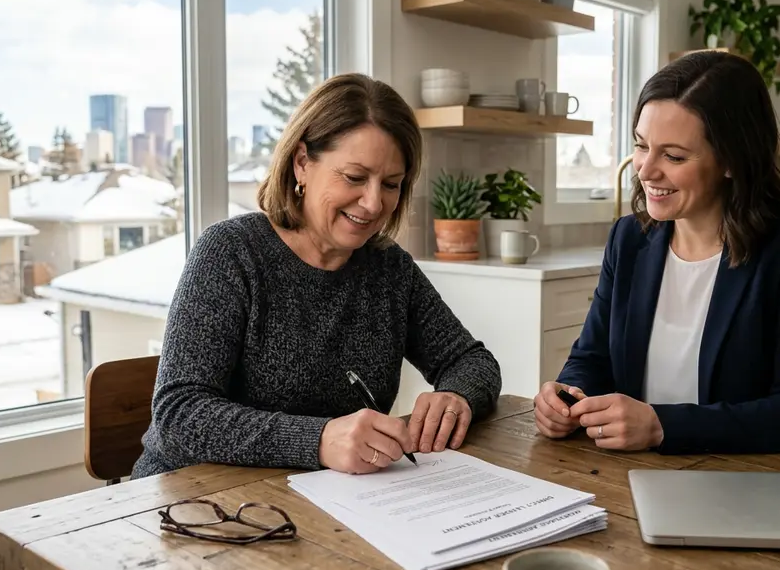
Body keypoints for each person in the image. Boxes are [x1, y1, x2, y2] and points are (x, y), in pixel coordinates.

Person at [131, 73, 502, 479]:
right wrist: (319, 439)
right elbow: (179, 414)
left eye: (391, 184)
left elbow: (472, 360)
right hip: (195, 502)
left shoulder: (390, 268)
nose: (374, 202)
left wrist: (456, 395)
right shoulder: (232, 252)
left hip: (325, 504)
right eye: (355, 177)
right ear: (303, 163)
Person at [533, 50, 780, 458]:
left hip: (760, 490)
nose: (645, 170)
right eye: (642, 146)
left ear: (733, 160)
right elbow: (592, 358)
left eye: (674, 156)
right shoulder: (629, 240)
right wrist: (566, 396)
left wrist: (662, 426)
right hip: (641, 479)